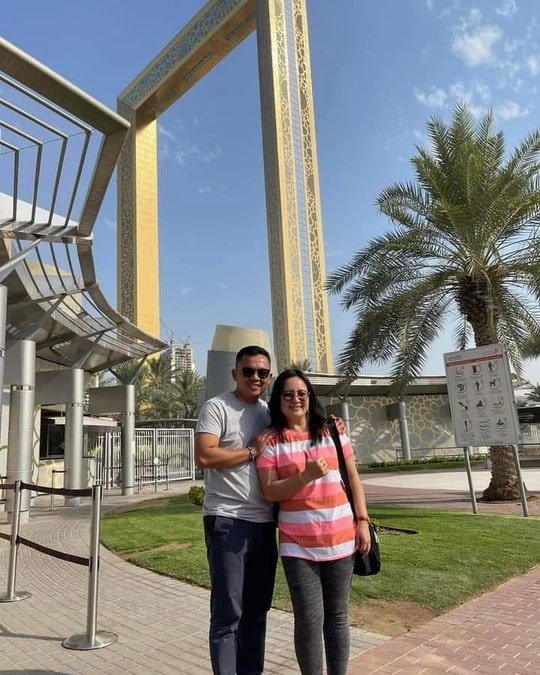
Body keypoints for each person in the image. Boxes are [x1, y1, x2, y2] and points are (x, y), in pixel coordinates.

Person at [256, 369, 371, 675]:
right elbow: (269, 491)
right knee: (308, 619)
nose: (295, 399)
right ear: (278, 399)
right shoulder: (271, 441)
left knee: (337, 616)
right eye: (288, 394)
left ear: (310, 397)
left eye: (301, 393)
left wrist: (362, 519)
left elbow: (353, 476)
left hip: (341, 539)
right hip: (297, 545)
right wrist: (305, 476)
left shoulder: (332, 431)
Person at [195, 345, 277, 675]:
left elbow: (301, 424)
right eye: (248, 371)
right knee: (228, 613)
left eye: (262, 372)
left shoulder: (269, 412)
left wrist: (331, 425)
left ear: (269, 377)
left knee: (257, 612)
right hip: (227, 519)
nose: (255, 377)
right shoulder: (217, 407)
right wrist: (251, 451)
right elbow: (205, 455)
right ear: (235, 373)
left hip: (264, 523)